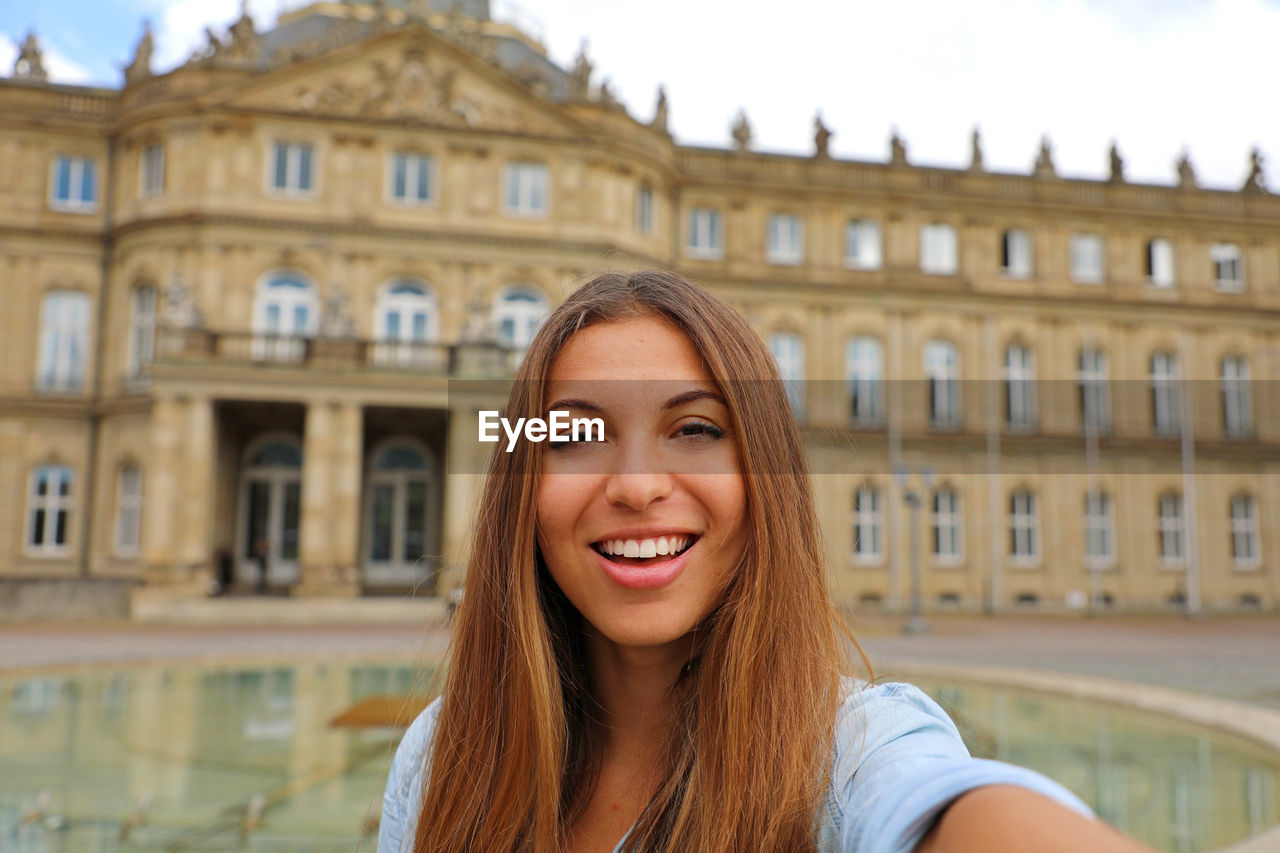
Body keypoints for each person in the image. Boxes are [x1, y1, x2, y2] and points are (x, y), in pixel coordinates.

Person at [379, 270, 1152, 852]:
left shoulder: (849, 755)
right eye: (575, 437)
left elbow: (949, 808)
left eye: (696, 428)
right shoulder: (441, 753)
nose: (640, 485)